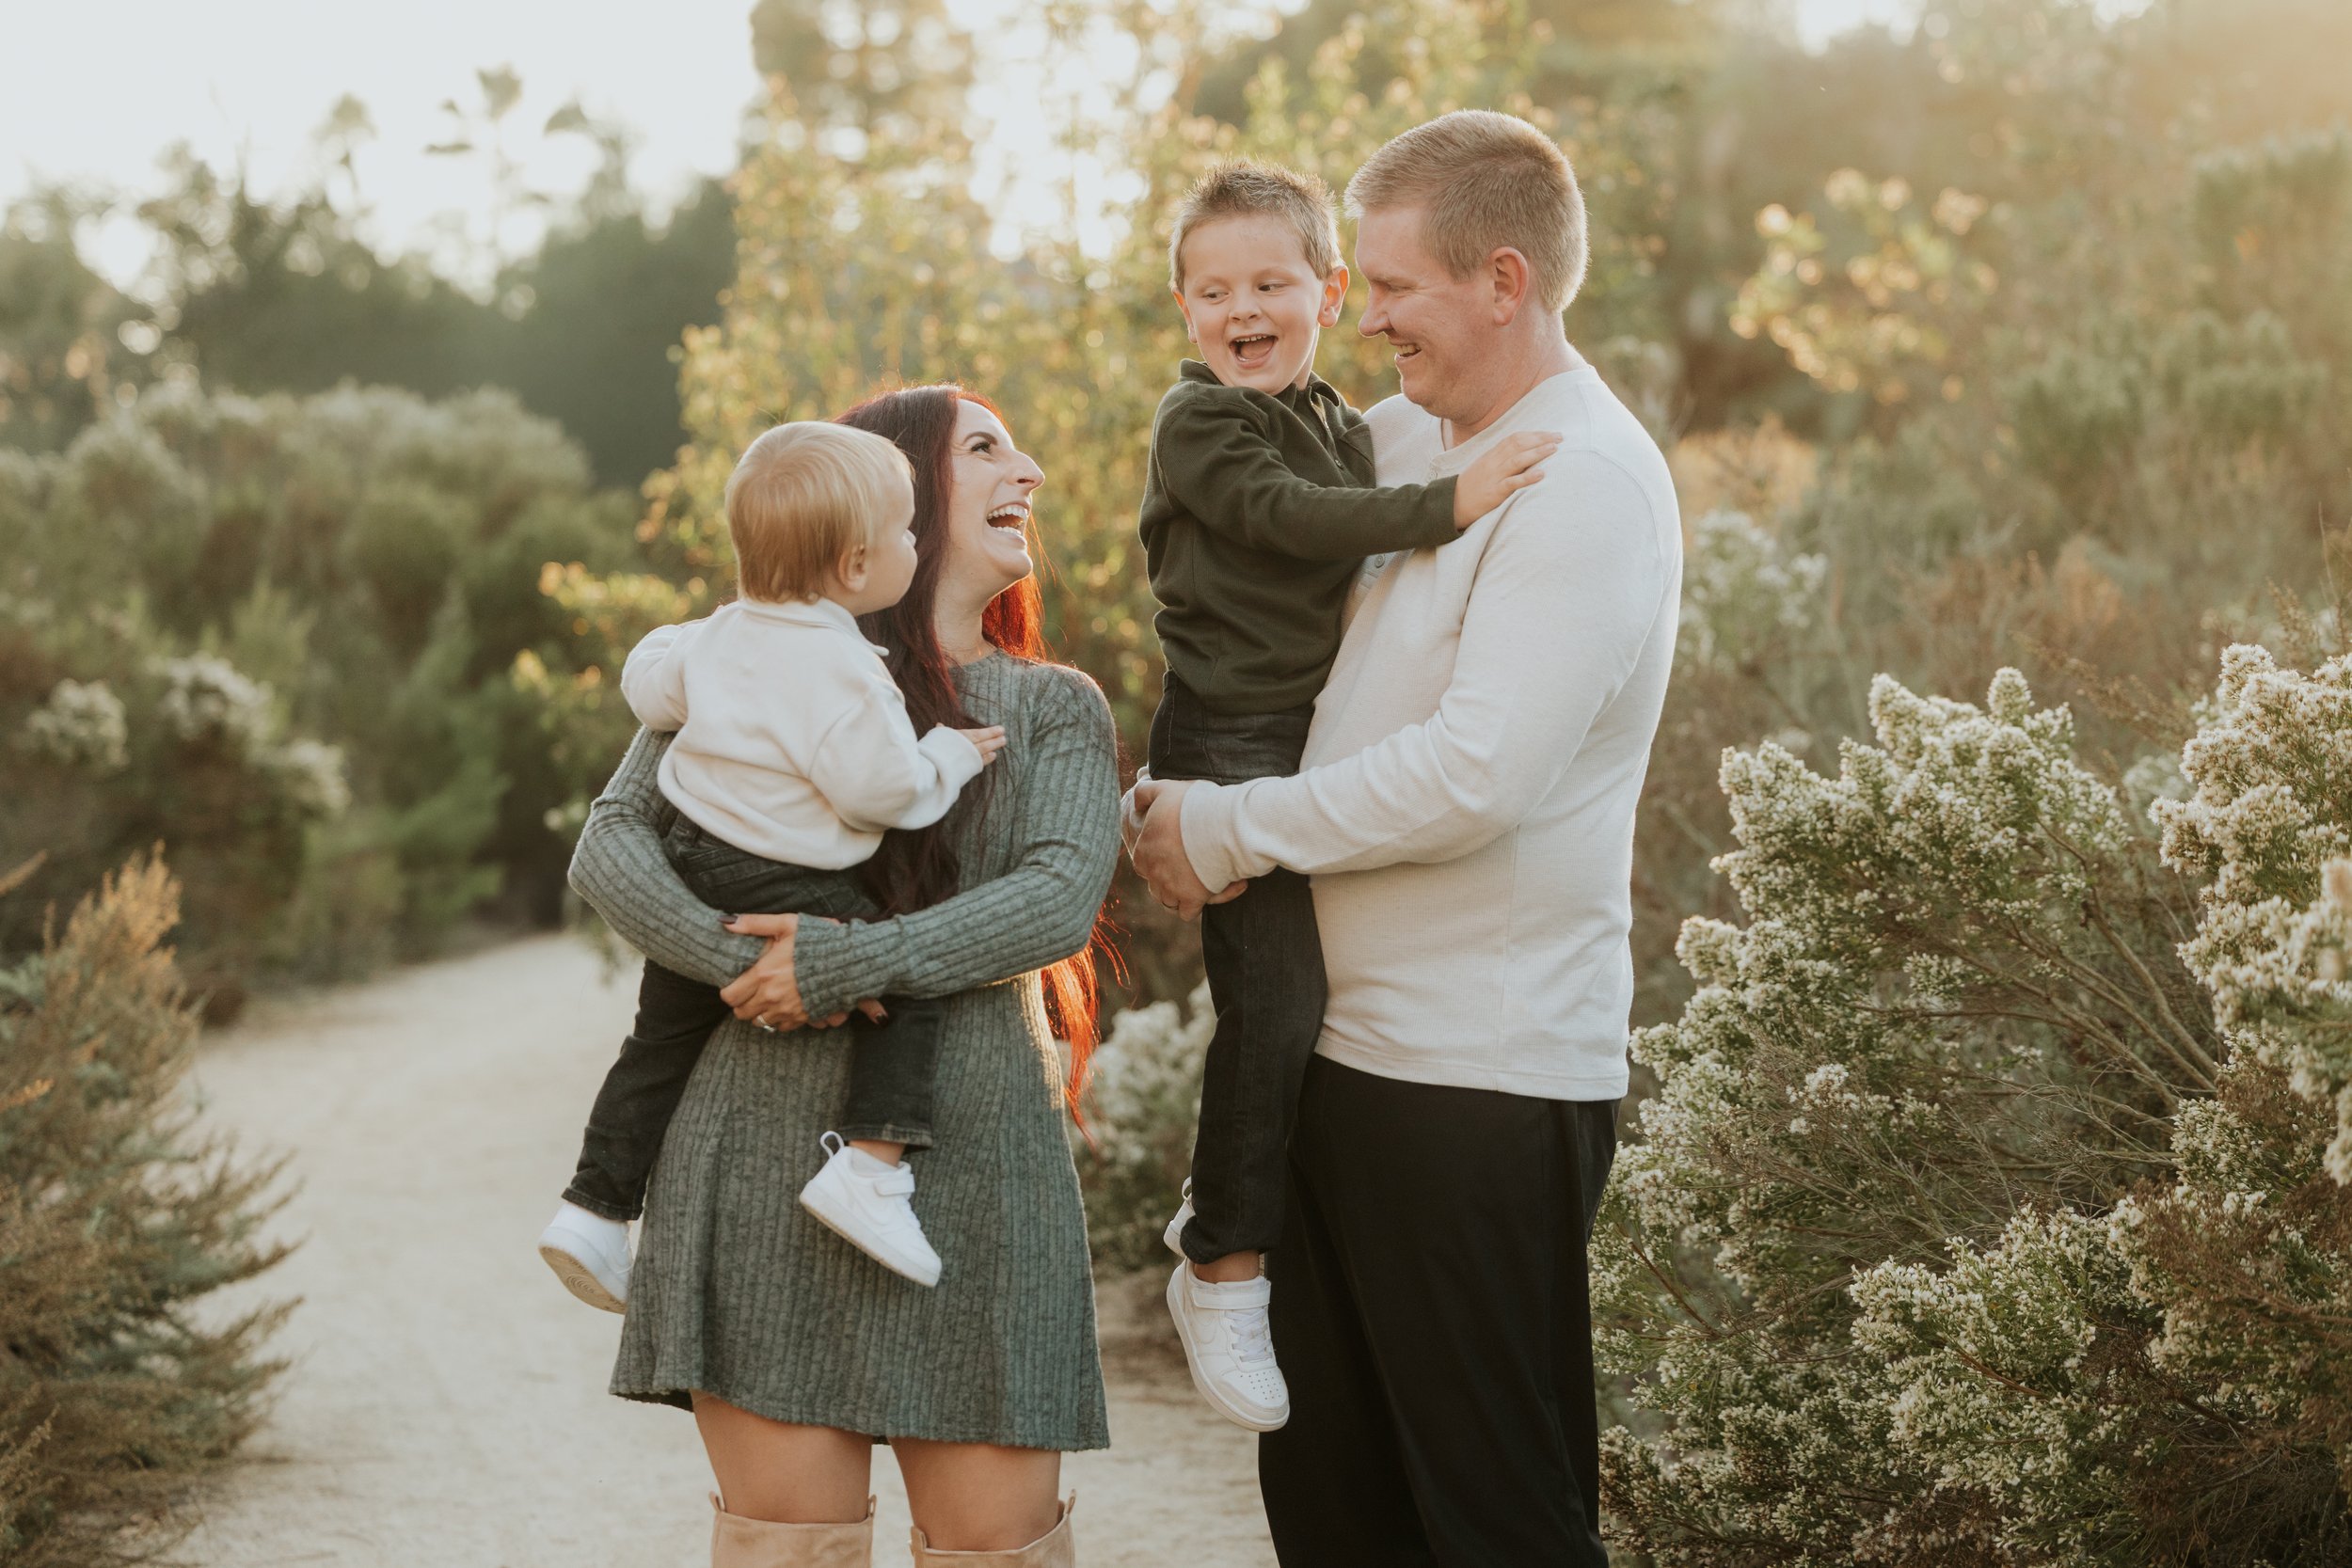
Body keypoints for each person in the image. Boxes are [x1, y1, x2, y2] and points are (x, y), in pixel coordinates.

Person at [1129, 111, 1683, 1567]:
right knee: (1340, 1518)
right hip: (1335, 1066)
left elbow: (1472, 775)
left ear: (1504, 280)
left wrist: (1228, 829)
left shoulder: (1584, 484)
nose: (1358, 318)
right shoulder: (1385, 439)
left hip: (1472, 1084)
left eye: (1388, 287)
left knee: (1496, 1520)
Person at [570, 387, 1119, 1567]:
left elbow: (1057, 897)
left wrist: (841, 962)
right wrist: (751, 964)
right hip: (756, 1161)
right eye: (985, 448)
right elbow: (610, 843)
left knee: (1001, 1551)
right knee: (784, 1549)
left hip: (975, 1168)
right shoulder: (757, 656)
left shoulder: (1054, 705)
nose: (1027, 469)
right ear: (895, 493)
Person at [1135, 158, 1558, 1433]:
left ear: (1327, 290)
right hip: (1228, 739)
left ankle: (1223, 1203)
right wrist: (1452, 501)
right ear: (1186, 314)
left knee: (1296, 1011)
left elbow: (1359, 463)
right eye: (1214, 292)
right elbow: (1292, 518)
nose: (1242, 310)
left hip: (1292, 741)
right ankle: (1220, 1263)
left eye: (1271, 281)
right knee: (1276, 1009)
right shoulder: (1202, 422)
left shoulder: (1336, 413)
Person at [541, 421, 1008, 1306]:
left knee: (656, 1044)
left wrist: (664, 644)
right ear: (858, 568)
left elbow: (650, 686)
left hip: (693, 861)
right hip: (783, 877)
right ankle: (870, 1167)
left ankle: (594, 1210)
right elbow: (879, 792)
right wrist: (945, 756)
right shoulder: (844, 669)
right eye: (909, 531)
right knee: (903, 980)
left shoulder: (718, 635)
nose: (919, 542)